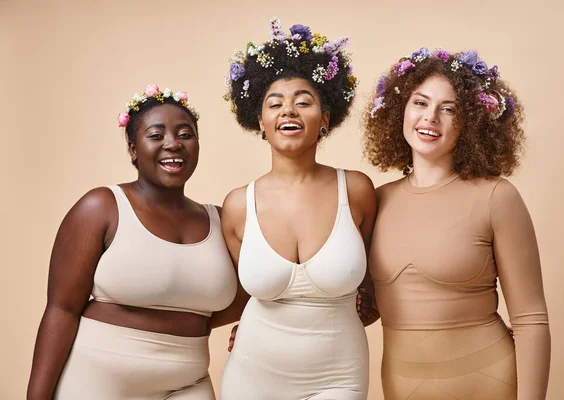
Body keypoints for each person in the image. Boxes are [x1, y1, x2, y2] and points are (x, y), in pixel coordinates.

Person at [26, 85, 237, 400]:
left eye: (185, 134)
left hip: (187, 382)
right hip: (98, 379)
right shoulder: (101, 207)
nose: (173, 144)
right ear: (133, 149)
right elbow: (62, 309)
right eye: (156, 135)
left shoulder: (223, 220)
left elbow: (254, 291)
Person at [364, 48, 551, 400]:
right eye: (420, 103)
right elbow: (364, 306)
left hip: (491, 383)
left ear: (472, 123)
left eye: (449, 109)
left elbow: (531, 320)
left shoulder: (497, 196)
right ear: (399, 110)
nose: (431, 117)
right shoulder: (375, 200)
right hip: (402, 387)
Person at [215, 18, 378, 400]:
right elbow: (243, 294)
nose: (289, 111)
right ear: (261, 122)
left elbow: (375, 286)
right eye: (275, 104)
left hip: (338, 375)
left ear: (324, 120)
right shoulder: (239, 205)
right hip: (251, 375)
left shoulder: (355, 190)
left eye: (303, 102)